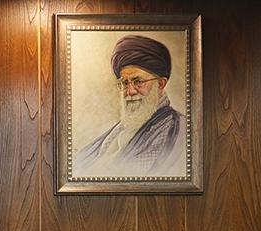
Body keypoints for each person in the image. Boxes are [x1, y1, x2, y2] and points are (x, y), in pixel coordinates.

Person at [74, 34, 186, 178]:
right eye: (125, 83)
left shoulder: (177, 129)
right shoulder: (125, 126)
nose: (130, 91)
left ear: (160, 84)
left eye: (138, 81)